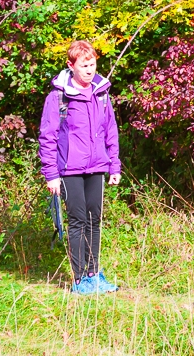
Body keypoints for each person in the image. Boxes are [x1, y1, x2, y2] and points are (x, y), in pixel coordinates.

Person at [38, 40, 122, 295]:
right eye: (84, 66)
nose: (89, 70)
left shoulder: (102, 94)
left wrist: (114, 165)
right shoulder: (58, 97)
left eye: (92, 64)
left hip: (97, 166)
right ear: (71, 65)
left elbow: (110, 130)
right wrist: (51, 174)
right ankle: (78, 280)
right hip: (69, 169)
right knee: (77, 221)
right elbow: (48, 136)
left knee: (94, 220)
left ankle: (93, 275)